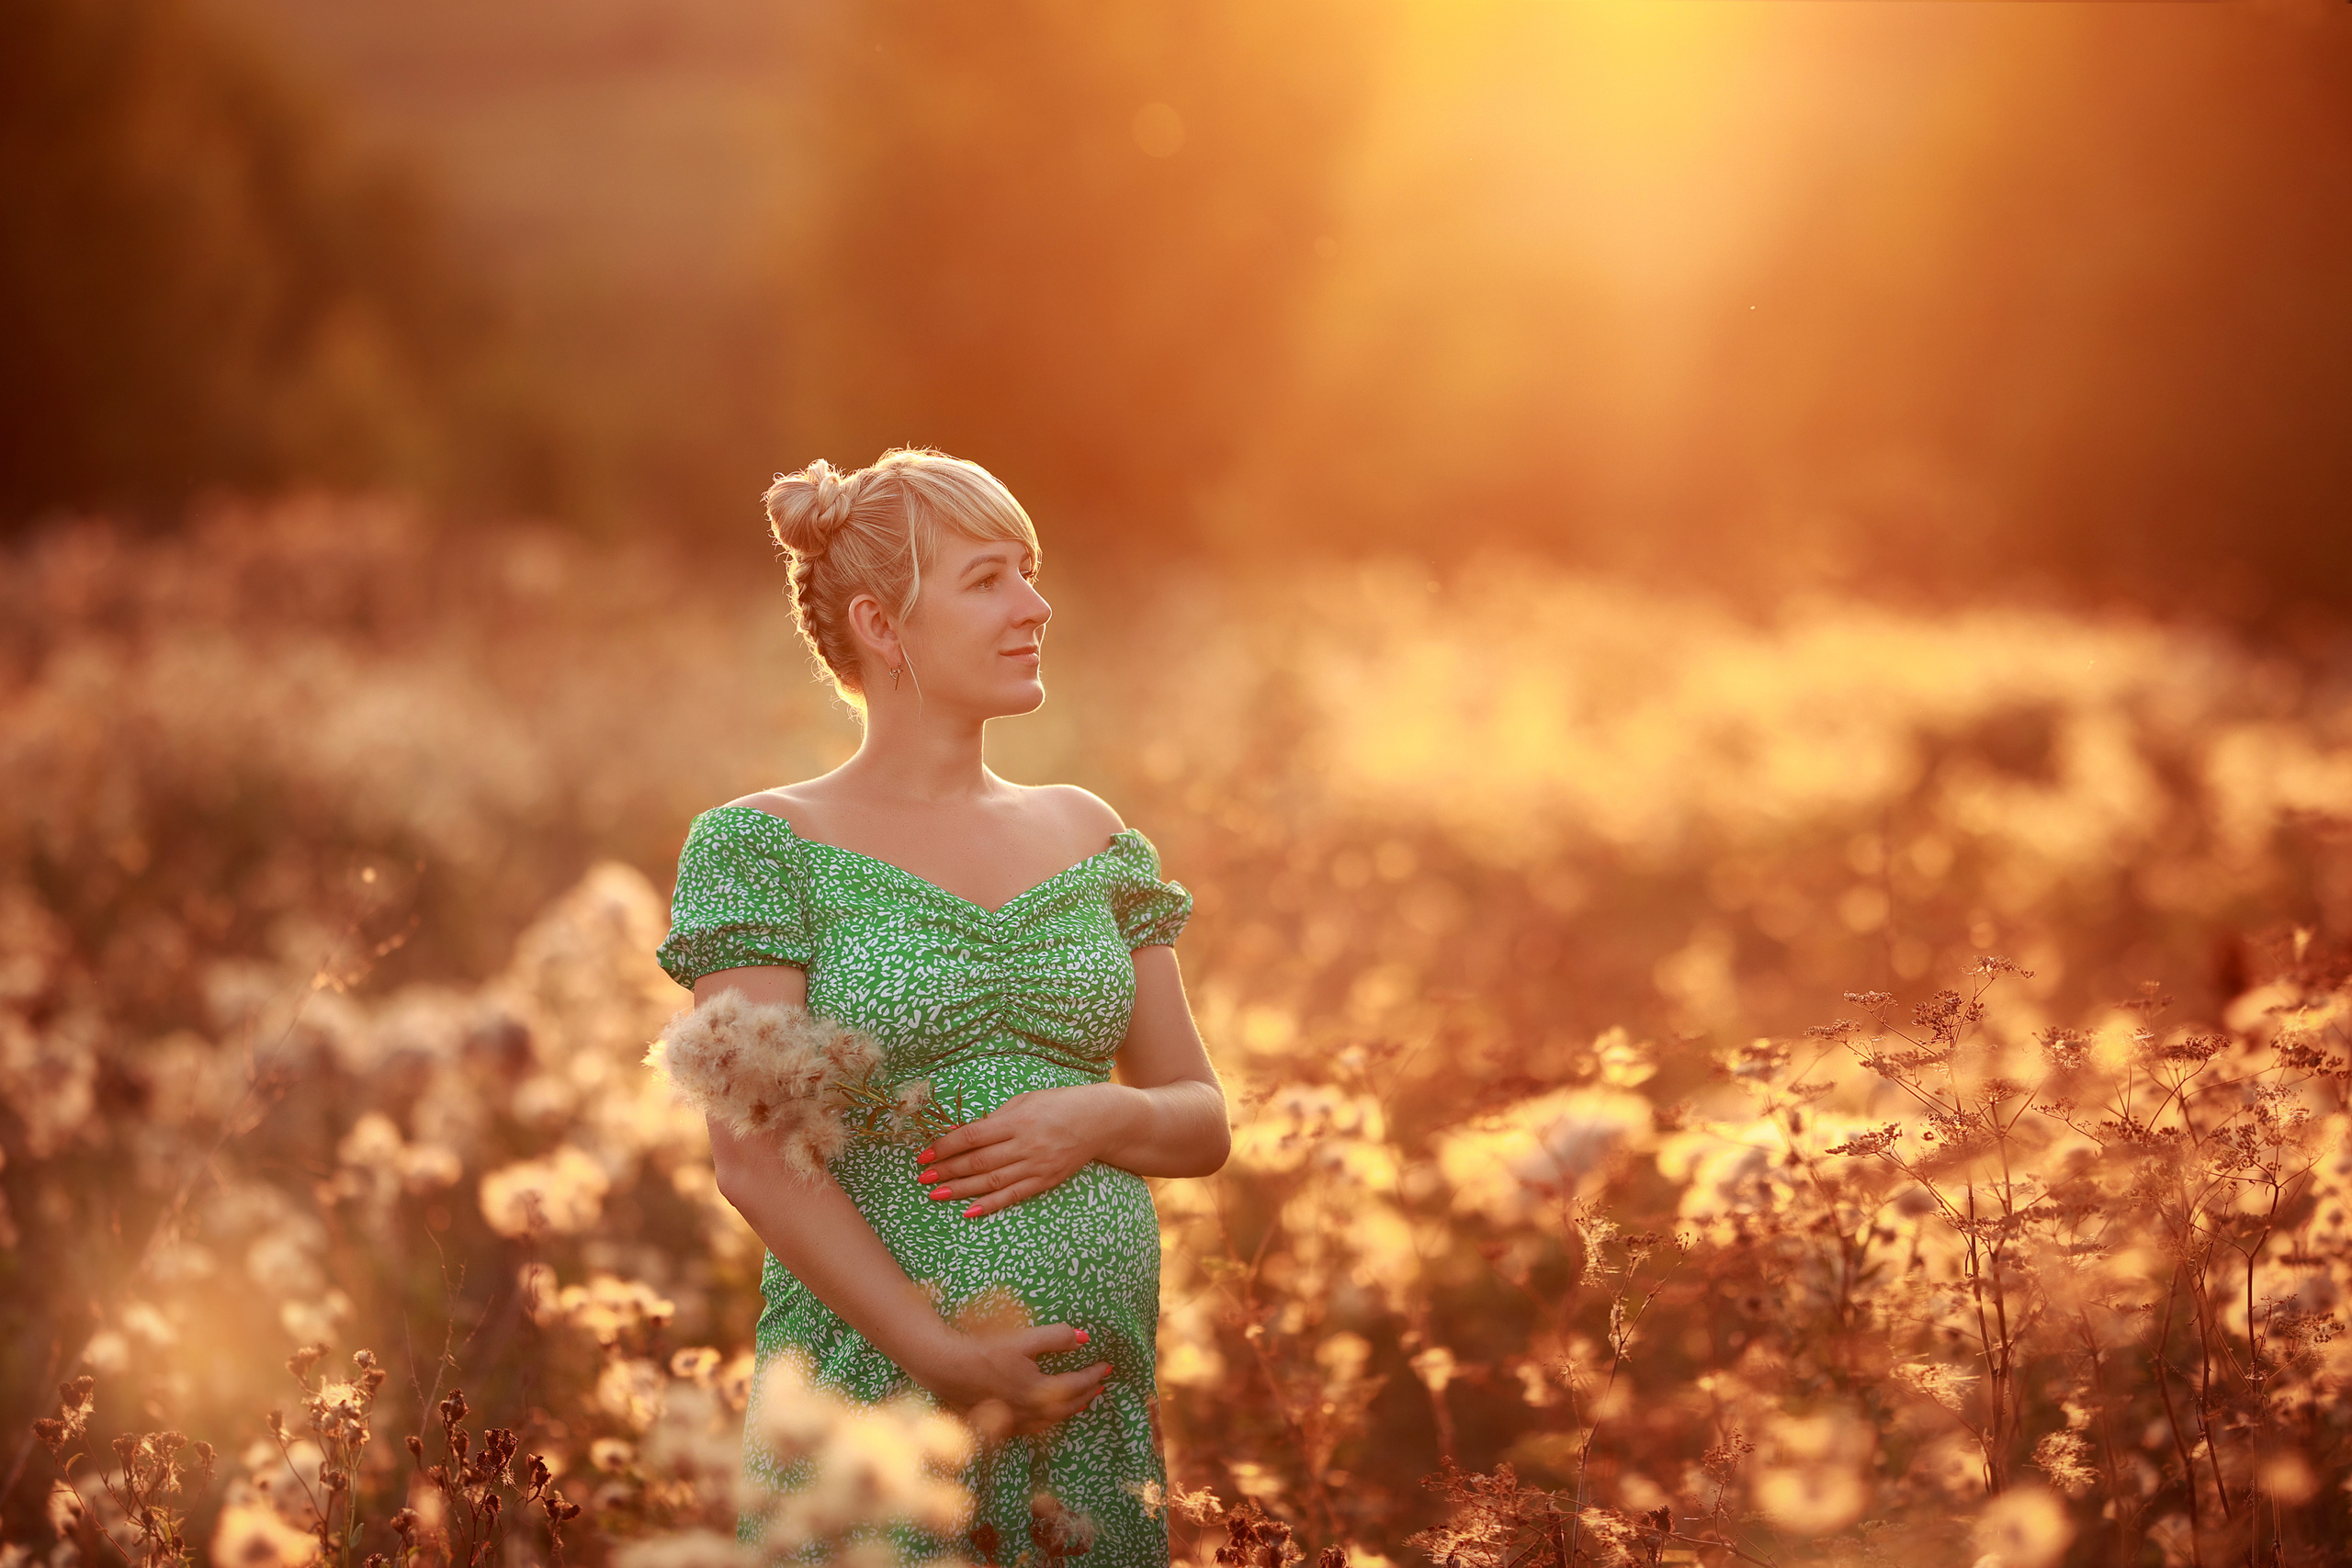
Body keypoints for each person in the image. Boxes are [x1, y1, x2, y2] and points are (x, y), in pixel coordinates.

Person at [655, 448, 1229, 1564]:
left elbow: (1199, 1115)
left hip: (1091, 1425)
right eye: (987, 580)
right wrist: (941, 1352)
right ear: (882, 623)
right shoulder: (763, 847)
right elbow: (754, 1160)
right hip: (874, 1411)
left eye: (1031, 571)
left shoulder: (1090, 832)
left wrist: (1102, 1119)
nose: (1034, 606)